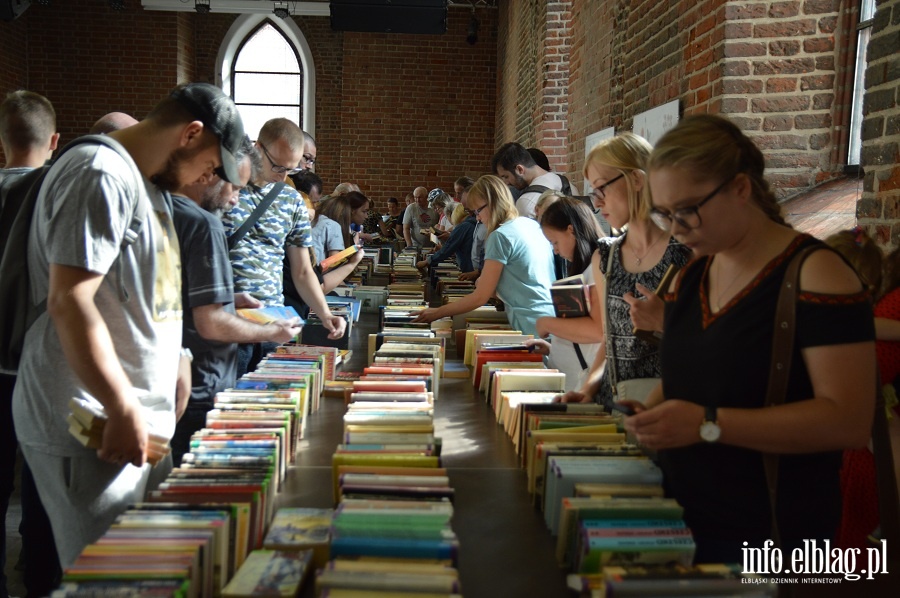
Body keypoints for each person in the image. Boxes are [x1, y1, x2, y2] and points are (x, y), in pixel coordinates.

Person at [12, 82, 246, 569]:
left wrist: (179, 357)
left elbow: (146, 292)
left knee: (145, 568)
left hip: (139, 417)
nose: (212, 177)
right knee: (110, 576)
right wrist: (119, 403)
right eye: (215, 165)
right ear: (191, 134)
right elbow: (70, 300)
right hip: (89, 419)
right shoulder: (99, 173)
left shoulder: (150, 184)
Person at [624, 114, 876, 563]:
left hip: (769, 535)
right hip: (683, 517)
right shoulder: (695, 273)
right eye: (664, 213)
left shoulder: (814, 274)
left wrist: (707, 424)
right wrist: (651, 414)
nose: (676, 227)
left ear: (740, 188)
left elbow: (848, 420)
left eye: (687, 209)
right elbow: (693, 375)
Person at [170, 136, 303, 466]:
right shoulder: (204, 224)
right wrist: (271, 332)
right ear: (212, 174)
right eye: (237, 189)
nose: (236, 201)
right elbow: (210, 322)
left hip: (181, 368)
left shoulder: (167, 209)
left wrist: (228, 298)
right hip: (202, 376)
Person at [561, 132, 690, 406]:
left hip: (662, 410)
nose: (596, 202)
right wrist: (588, 389)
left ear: (636, 179)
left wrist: (666, 322)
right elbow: (609, 343)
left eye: (601, 189)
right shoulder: (605, 256)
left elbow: (702, 346)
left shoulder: (684, 254)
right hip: (613, 406)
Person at [223, 117, 346, 376]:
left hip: (271, 321)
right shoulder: (225, 189)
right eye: (278, 167)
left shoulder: (291, 201)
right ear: (257, 148)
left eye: (290, 171)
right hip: (228, 320)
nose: (282, 177)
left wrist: (324, 315)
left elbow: (302, 271)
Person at [0, 89, 61, 598]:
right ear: (55, 140)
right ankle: (38, 572)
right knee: (44, 475)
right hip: (40, 359)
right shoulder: (56, 190)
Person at [413, 175, 555, 336]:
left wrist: (437, 312)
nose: (478, 217)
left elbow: (480, 297)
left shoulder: (500, 235)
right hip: (550, 318)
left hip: (529, 324)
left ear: (493, 203)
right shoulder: (530, 225)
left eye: (478, 210)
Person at [525, 198, 605, 392]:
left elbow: (597, 331)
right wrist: (554, 347)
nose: (556, 250)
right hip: (570, 376)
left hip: (580, 383)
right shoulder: (585, 268)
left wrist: (547, 324)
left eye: (555, 242)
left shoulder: (597, 266)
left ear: (571, 230)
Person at [491, 141, 565, 219]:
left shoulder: (526, 202)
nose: (506, 183)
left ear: (520, 169)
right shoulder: (569, 184)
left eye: (506, 176)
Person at [416, 187, 477, 273]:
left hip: (468, 267)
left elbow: (448, 248)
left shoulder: (463, 226)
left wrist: (427, 262)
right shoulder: (470, 223)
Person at [403, 186, 438, 250]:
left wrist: (436, 243)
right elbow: (406, 228)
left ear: (426, 197)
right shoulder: (411, 208)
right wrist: (409, 245)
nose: (417, 200)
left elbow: (438, 227)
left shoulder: (433, 208)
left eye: (420, 197)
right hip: (415, 245)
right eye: (415, 197)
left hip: (432, 245)